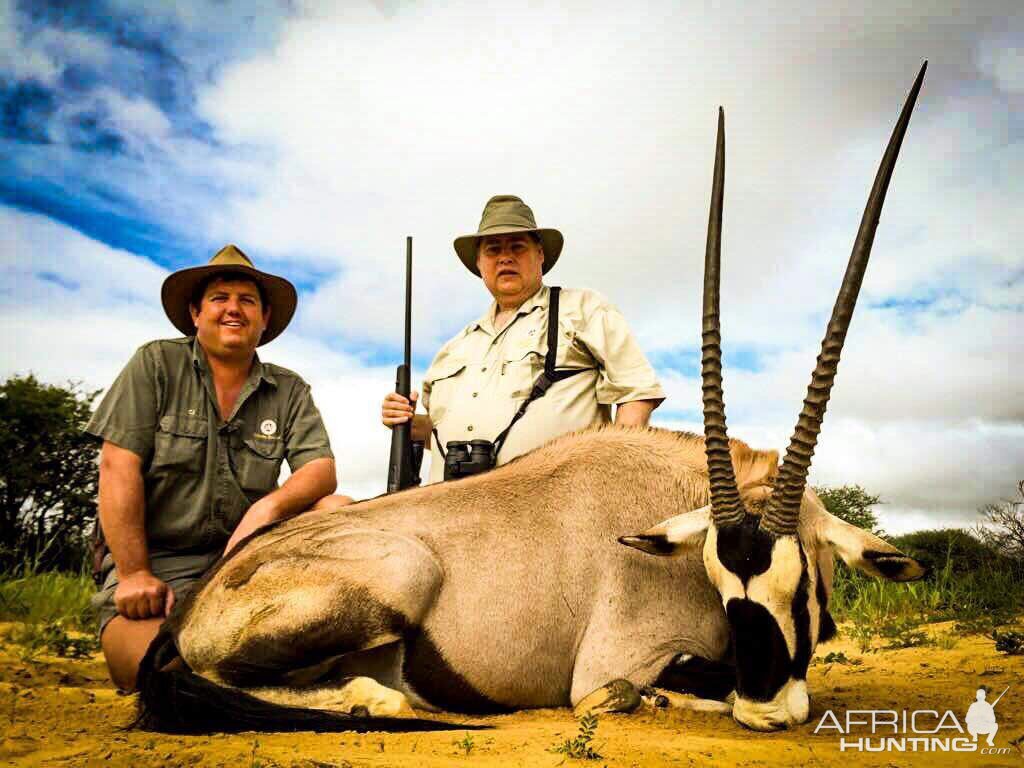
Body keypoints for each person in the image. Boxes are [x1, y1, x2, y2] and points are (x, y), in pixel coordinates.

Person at [88, 244, 348, 691]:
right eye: (220, 298)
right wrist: (133, 574)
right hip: (159, 565)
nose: (234, 309)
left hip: (245, 561)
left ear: (265, 318)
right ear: (195, 313)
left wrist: (267, 510)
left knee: (337, 506)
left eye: (247, 301)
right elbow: (117, 466)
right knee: (155, 677)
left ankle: (319, 636)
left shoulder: (288, 388)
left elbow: (321, 468)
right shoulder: (155, 364)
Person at [381, 195, 665, 483]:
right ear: (479, 263)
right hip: (450, 511)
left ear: (540, 255)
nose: (505, 257)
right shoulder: (453, 348)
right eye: (493, 250)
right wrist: (406, 423)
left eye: (517, 246)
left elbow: (637, 392)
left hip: (556, 508)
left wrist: (611, 475)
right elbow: (440, 435)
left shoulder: (583, 309)